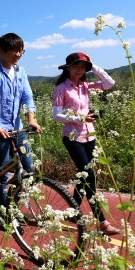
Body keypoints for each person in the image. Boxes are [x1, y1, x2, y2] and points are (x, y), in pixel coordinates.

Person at [52, 52, 119, 236]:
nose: (79, 70)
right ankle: (102, 222)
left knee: (83, 176)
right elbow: (57, 115)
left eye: (83, 68)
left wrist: (93, 65)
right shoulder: (61, 89)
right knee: (90, 177)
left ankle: (73, 212)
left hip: (90, 135)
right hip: (72, 137)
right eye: (75, 66)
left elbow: (109, 83)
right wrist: (80, 117)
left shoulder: (86, 86)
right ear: (67, 68)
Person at [0, 33, 42, 208]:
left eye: (21, 50)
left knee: (29, 168)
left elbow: (27, 98)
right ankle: (5, 212)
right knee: (2, 173)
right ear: (1, 51)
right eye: (14, 50)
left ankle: (12, 203)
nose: (18, 54)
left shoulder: (20, 71)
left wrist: (32, 119)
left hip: (17, 129)